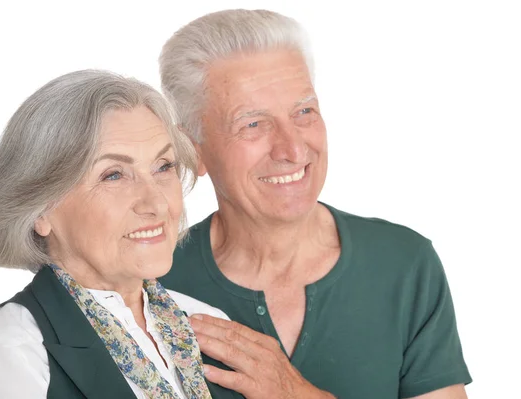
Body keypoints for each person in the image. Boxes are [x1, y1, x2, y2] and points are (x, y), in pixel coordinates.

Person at [158, 9, 472, 399]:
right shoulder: (152, 280)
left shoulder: (404, 265)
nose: (293, 148)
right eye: (253, 124)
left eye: (304, 112)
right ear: (192, 150)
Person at [0, 70, 231, 399]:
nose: (157, 203)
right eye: (114, 175)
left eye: (164, 166)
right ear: (41, 210)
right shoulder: (7, 356)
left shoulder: (207, 323)